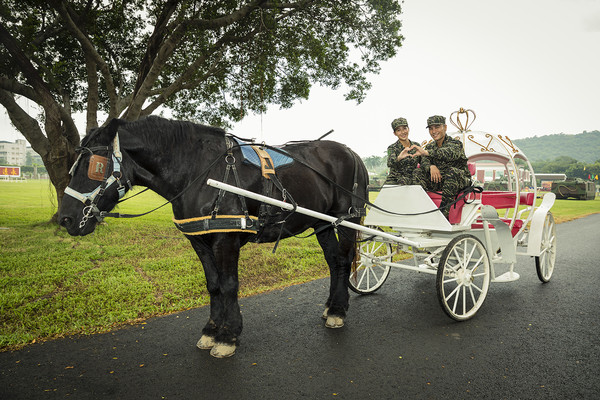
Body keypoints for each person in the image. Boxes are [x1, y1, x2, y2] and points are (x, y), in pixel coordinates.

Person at [411, 115, 471, 218]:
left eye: (437, 127)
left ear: (445, 127)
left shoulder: (456, 144)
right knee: (417, 172)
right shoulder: (430, 146)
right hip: (438, 181)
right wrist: (431, 166)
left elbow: (448, 153)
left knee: (452, 172)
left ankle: (443, 215)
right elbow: (424, 161)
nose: (434, 131)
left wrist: (426, 152)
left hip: (458, 180)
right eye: (431, 128)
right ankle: (422, 210)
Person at [384, 117, 420, 185]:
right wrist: (399, 158)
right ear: (395, 133)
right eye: (398, 130)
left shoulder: (416, 146)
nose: (403, 132)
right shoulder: (392, 148)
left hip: (414, 178)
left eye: (404, 128)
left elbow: (423, 161)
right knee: (386, 192)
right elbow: (389, 163)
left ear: (408, 129)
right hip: (396, 178)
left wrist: (432, 166)